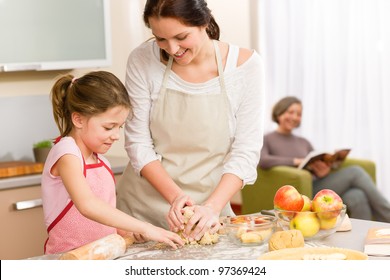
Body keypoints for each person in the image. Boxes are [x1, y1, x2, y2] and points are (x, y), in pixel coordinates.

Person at [116, 0, 265, 242]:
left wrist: (212, 207)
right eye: (160, 39)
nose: (172, 49)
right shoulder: (142, 60)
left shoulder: (245, 67)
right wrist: (176, 197)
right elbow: (138, 144)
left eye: (181, 37)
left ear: (204, 22)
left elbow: (246, 152)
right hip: (140, 214)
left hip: (208, 212)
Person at [42, 71, 184, 255]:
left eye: (120, 127)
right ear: (78, 119)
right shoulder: (67, 154)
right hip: (70, 260)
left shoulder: (101, 161)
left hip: (103, 256)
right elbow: (88, 205)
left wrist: (126, 231)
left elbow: (103, 216)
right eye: (109, 127)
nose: (116, 136)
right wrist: (145, 227)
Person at [259, 96, 390, 222]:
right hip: (301, 192)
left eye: (298, 114)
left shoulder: (303, 141)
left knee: (356, 196)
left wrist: (324, 170)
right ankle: (387, 215)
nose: (295, 117)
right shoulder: (267, 138)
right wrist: (295, 161)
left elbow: (314, 162)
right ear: (279, 112)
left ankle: (368, 236)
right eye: (291, 112)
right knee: (355, 172)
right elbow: (263, 160)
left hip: (317, 183)